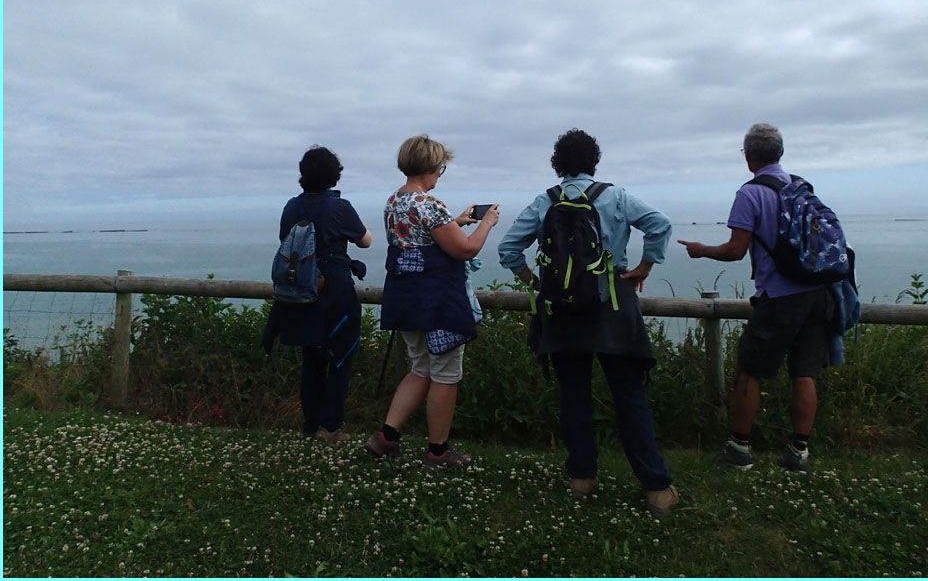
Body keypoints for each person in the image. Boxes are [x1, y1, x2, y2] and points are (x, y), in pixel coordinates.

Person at [497, 128, 679, 515]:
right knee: (629, 395)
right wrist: (645, 265)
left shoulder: (545, 201)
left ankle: (581, 478)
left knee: (573, 395)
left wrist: (536, 282)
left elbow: (508, 248)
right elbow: (660, 223)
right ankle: (656, 488)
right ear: (595, 161)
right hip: (612, 306)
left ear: (557, 164)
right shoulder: (616, 197)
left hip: (562, 311)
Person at [678, 123, 834, 472]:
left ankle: (740, 448)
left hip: (779, 297)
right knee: (804, 373)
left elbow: (736, 250)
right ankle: (799, 452)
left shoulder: (750, 194)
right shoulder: (800, 186)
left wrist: (702, 250)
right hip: (817, 292)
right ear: (780, 153)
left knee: (749, 371)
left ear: (748, 156)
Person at [365, 134, 499, 467]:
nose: (441, 174)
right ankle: (438, 451)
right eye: (441, 168)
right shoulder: (429, 204)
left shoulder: (393, 202)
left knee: (420, 367)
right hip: (437, 302)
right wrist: (486, 224)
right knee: (445, 373)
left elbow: (418, 238)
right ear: (433, 167)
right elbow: (465, 249)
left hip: (406, 299)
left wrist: (457, 222)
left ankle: (386, 437)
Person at [263, 146, 373, 441]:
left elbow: (285, 240)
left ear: (303, 175)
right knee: (341, 356)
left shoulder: (291, 207)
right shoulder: (340, 207)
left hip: (301, 291)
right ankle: (331, 426)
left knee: (311, 356)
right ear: (335, 176)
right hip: (335, 290)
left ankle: (311, 424)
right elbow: (365, 241)